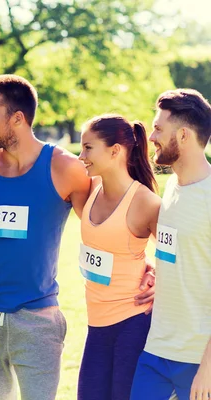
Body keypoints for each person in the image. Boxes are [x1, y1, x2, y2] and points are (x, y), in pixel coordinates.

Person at [0, 74, 155, 400]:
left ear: (18, 119)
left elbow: (103, 228)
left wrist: (150, 265)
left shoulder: (66, 169)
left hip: (37, 316)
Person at [130, 89, 211, 400]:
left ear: (184, 135)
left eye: (159, 128)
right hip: (157, 348)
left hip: (198, 360)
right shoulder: (172, 187)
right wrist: (156, 270)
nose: (151, 137)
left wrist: (207, 368)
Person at [76, 114, 161, 400]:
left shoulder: (145, 202)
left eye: (88, 148)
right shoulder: (90, 188)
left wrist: (158, 276)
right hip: (95, 324)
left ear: (115, 151)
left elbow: (178, 255)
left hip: (132, 322)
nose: (81, 155)